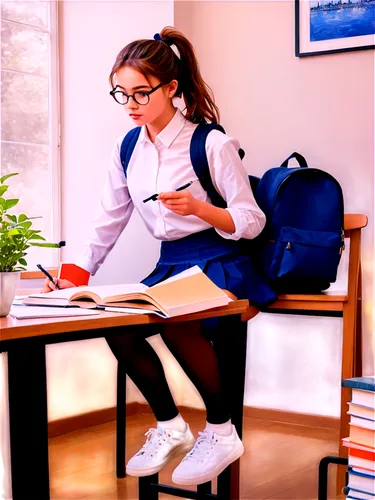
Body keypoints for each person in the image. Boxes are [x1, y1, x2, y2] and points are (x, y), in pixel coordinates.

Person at [42, 26, 276, 486]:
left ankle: (221, 429)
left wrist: (202, 209)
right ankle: (170, 425)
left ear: (171, 88)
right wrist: (74, 276)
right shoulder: (127, 147)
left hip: (220, 259)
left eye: (141, 93)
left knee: (176, 317)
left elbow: (253, 220)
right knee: (116, 322)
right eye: (121, 93)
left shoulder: (210, 143)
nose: (130, 103)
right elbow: (108, 219)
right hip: (170, 265)